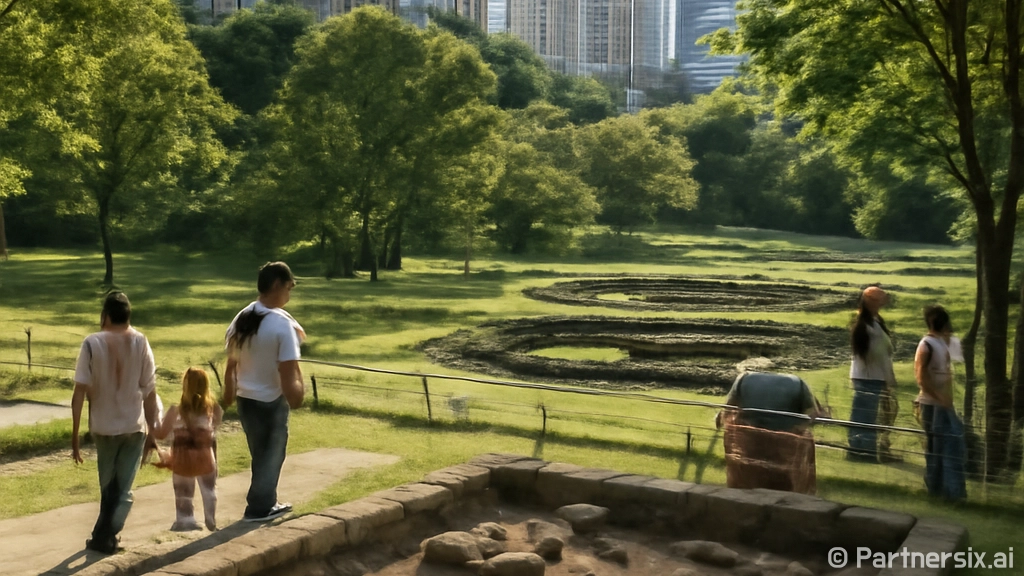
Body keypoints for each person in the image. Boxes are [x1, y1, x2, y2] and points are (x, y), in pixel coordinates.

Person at [71, 292, 160, 554]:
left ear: (105, 316)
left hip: (104, 428)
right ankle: (106, 536)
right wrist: (153, 431)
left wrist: (75, 436)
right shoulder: (141, 341)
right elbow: (150, 392)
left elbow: (79, 392)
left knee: (109, 487)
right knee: (122, 488)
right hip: (134, 427)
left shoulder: (91, 343)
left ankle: (104, 537)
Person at [224, 261, 305, 522]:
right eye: (289, 287)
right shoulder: (281, 325)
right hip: (270, 401)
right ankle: (258, 508)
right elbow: (288, 370)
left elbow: (232, 362)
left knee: (261, 454)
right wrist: (296, 396)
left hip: (246, 399)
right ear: (277, 285)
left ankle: (266, 501)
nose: (289, 294)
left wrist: (228, 392)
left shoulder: (243, 317)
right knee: (272, 455)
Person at [716, 372, 829, 494]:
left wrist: (720, 420)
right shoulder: (799, 383)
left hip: (752, 445)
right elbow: (811, 414)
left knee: (749, 483)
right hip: (783, 446)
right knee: (784, 484)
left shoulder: (743, 379)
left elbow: (726, 410)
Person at [152, 367, 223, 531]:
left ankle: (186, 519)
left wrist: (153, 422)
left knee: (183, 491)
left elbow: (161, 434)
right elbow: (214, 431)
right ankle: (210, 516)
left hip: (182, 457)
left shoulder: (175, 411)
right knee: (209, 488)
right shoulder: (213, 410)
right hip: (205, 455)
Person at [914, 305, 967, 501]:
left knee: (947, 447)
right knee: (939, 448)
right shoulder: (926, 344)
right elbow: (921, 377)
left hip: (944, 403)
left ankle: (946, 491)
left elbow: (955, 368)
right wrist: (939, 398)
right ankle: (940, 491)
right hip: (932, 404)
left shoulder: (945, 343)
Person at [848, 286, 898, 462]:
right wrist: (888, 378)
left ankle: (862, 450)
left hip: (871, 376)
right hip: (868, 377)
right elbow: (879, 356)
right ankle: (862, 452)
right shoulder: (869, 326)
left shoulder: (874, 323)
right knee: (865, 416)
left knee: (866, 415)